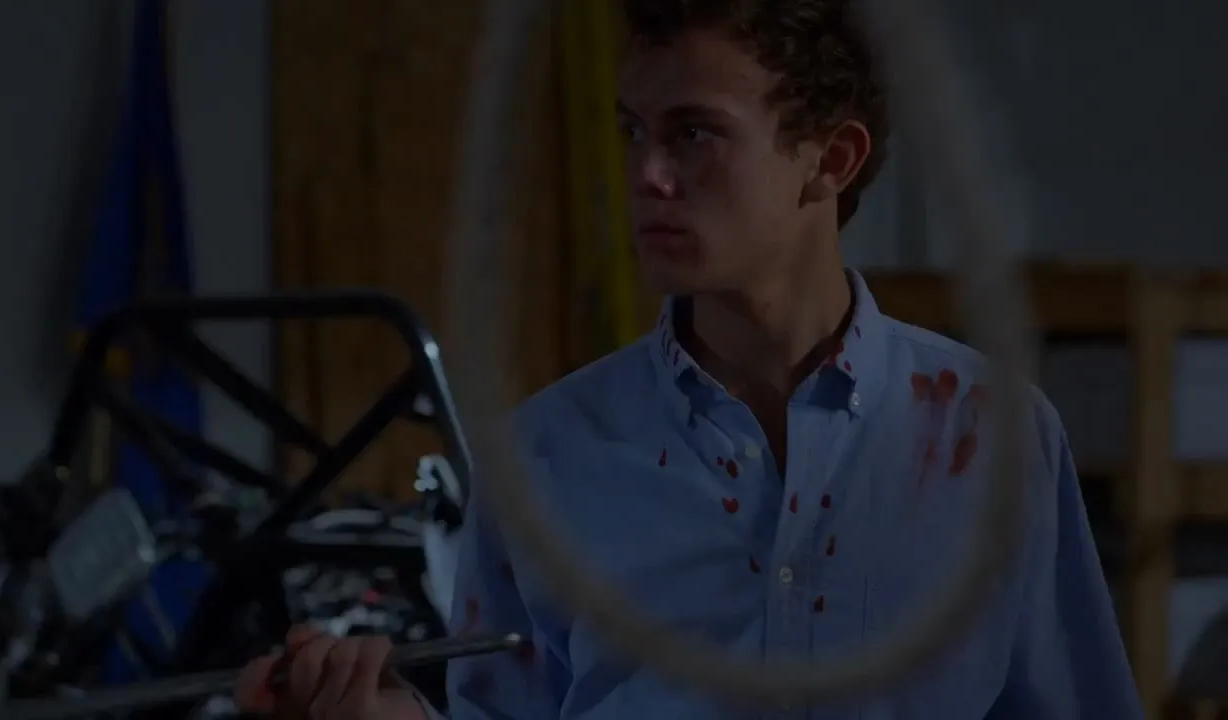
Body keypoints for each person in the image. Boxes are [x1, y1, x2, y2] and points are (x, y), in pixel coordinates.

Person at [236, 0, 1143, 717]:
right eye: (634, 131)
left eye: (694, 133)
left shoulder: (990, 440)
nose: (647, 175)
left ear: (830, 159)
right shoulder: (544, 460)